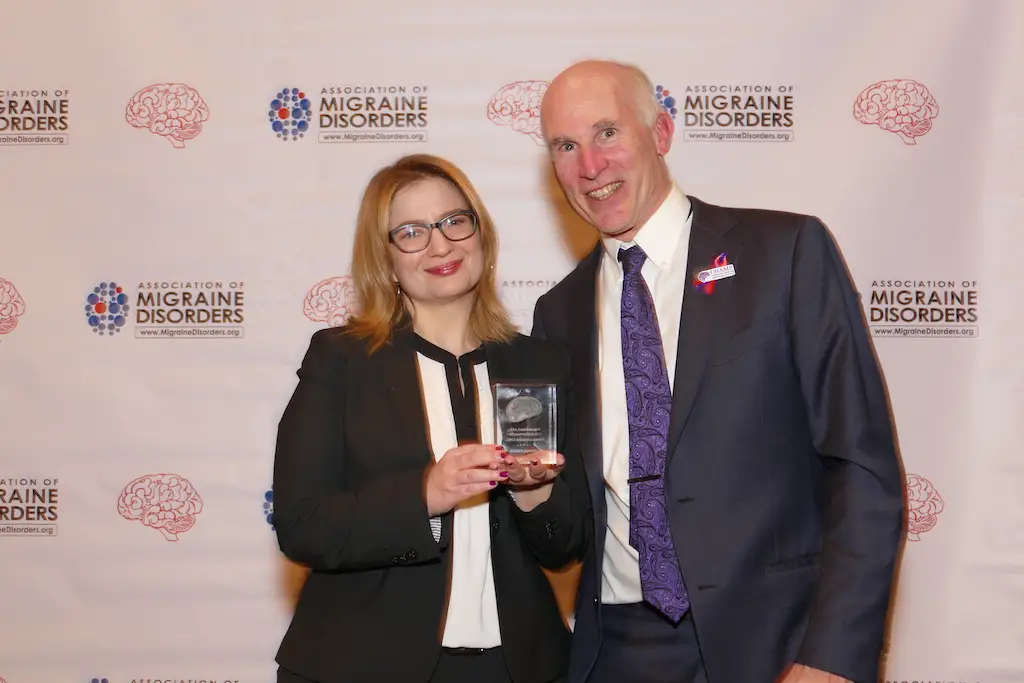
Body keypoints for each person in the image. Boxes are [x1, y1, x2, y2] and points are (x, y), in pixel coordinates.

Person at [530, 60, 904, 683]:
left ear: (662, 133)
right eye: (565, 146)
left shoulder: (783, 253)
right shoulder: (558, 312)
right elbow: (568, 526)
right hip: (619, 649)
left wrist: (832, 656)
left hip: (776, 644)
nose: (589, 165)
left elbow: (862, 469)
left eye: (607, 133)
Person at [272, 154, 589, 683]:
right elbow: (303, 526)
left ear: (480, 234)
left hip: (517, 670)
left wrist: (533, 493)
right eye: (412, 232)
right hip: (362, 667)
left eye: (453, 222)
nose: (440, 245)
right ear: (385, 257)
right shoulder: (342, 361)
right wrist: (425, 496)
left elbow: (566, 547)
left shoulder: (539, 363)